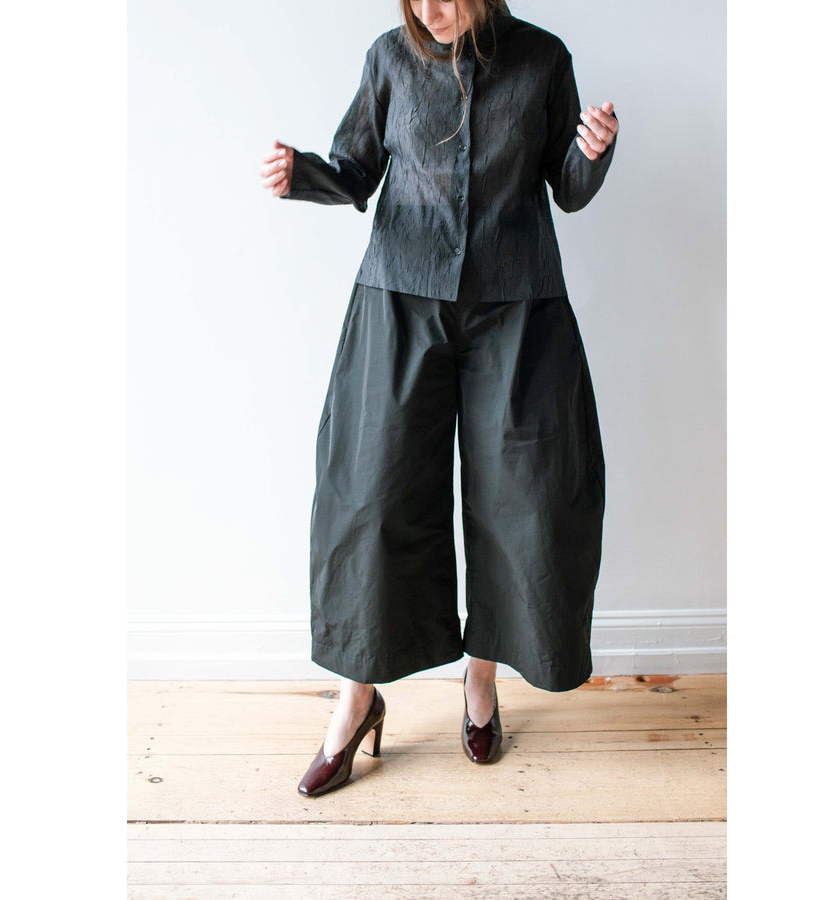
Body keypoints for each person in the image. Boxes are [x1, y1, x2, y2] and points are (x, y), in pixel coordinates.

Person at [259, 0, 618, 797]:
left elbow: (567, 186)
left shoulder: (542, 60)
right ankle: (356, 700)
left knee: (520, 501)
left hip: (518, 306)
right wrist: (303, 175)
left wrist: (593, 152)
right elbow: (355, 169)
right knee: (371, 498)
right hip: (398, 299)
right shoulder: (389, 57)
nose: (431, 9)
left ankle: (480, 680)